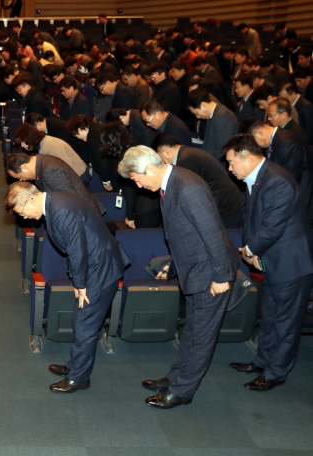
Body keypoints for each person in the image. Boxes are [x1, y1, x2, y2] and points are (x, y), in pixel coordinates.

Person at [118, 145, 238, 409]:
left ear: (149, 169)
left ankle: (183, 391)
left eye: (136, 179)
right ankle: (176, 377)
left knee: (202, 335)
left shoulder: (188, 188)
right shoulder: (171, 183)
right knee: (192, 330)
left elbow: (213, 236)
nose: (137, 186)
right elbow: (186, 232)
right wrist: (174, 265)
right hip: (195, 269)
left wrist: (221, 277)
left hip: (211, 273)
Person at [4, 182, 129, 393]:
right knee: (80, 320)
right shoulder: (55, 200)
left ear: (31, 199)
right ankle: (75, 367)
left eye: (22, 211)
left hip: (99, 269)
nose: (23, 217)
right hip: (95, 265)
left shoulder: (60, 210)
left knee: (85, 326)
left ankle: (79, 378)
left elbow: (76, 250)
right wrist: (77, 280)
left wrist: (80, 284)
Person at [224, 133, 313, 391]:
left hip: (291, 264)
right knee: (270, 316)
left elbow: (273, 227)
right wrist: (251, 250)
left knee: (285, 322)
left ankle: (275, 373)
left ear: (247, 158)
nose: (229, 169)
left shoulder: (277, 181)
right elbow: (252, 219)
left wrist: (250, 249)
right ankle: (263, 361)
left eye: (231, 163)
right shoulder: (257, 178)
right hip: (272, 259)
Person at [154, 133, 245, 228]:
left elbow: (189, 195)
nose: (161, 163)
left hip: (226, 207)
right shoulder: (188, 153)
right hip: (226, 203)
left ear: (165, 152)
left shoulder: (187, 160)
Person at [6, 153, 104, 215]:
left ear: (24, 167)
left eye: (20, 177)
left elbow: (71, 201)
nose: (22, 180)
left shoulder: (49, 171)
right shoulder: (43, 161)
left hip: (85, 216)